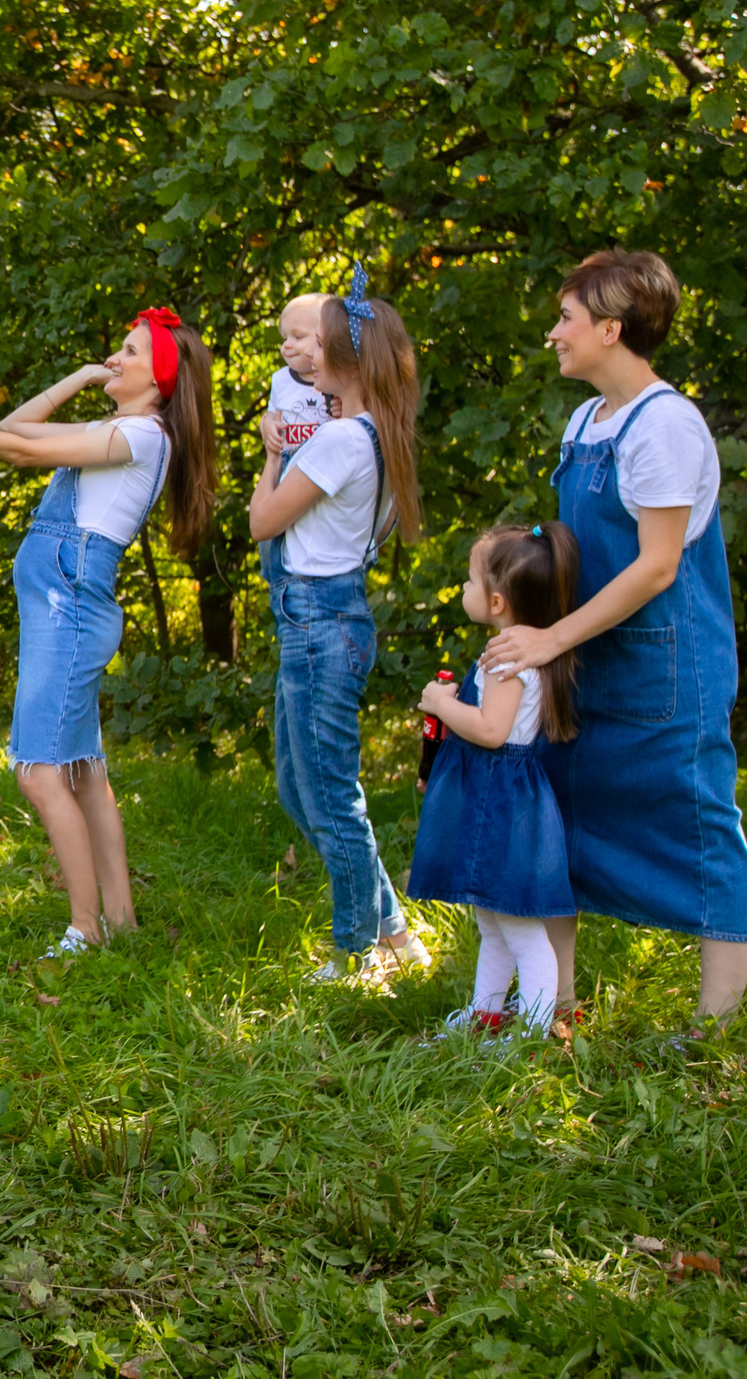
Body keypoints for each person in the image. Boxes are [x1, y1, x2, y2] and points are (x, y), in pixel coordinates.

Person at [0, 308, 217, 955]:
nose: (116, 358)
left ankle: (85, 928)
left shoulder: (142, 434)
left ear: (160, 379)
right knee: (84, 772)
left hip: (70, 604)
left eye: (130, 351)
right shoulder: (119, 428)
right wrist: (83, 376)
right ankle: (119, 921)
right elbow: (17, 425)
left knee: (38, 772)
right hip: (64, 600)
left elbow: (20, 450)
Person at [482, 249, 747, 1027]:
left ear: (611, 328)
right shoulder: (586, 421)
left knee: (699, 825)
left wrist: (549, 640)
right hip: (589, 661)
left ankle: (713, 1030)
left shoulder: (665, 426)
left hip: (666, 667)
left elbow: (657, 566)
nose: (554, 333)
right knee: (561, 823)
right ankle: (557, 1007)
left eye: (566, 318)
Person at [249, 267, 434, 984]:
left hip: (319, 622)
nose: (306, 354)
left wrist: (272, 454)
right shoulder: (374, 434)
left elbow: (263, 521)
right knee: (302, 791)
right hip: (326, 618)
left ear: (346, 361)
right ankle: (394, 930)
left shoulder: (338, 442)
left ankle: (357, 953)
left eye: (318, 345)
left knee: (330, 798)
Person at [409, 524, 582, 1036]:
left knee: (519, 926)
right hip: (496, 794)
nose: (464, 588)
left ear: (498, 601)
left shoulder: (504, 661)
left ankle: (533, 1031)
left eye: (469, 581)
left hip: (501, 801)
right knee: (492, 919)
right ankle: (485, 1013)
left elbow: (491, 731)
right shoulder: (512, 652)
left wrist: (441, 703)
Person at [260, 291, 336, 454]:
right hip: (288, 460)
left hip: (326, 460)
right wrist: (267, 424)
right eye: (284, 338)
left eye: (298, 337)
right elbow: (272, 413)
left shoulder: (336, 379)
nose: (286, 345)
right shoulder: (281, 379)